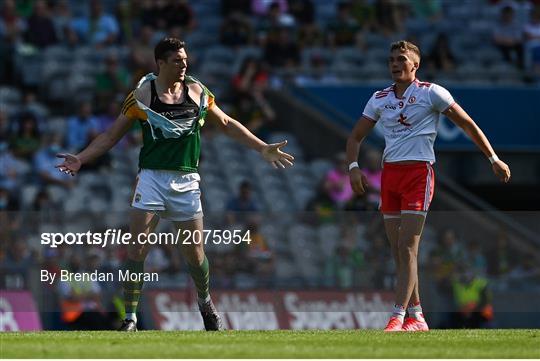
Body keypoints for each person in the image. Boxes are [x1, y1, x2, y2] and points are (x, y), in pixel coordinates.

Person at [56, 37, 294, 332]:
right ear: (161, 63)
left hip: (187, 179)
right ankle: (130, 318)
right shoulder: (142, 94)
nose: (184, 65)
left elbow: (227, 123)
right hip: (152, 177)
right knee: (136, 248)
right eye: (177, 60)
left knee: (195, 255)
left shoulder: (198, 92)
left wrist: (261, 148)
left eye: (185, 59)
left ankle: (205, 302)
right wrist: (81, 158)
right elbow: (110, 136)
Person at [346, 40, 511, 332]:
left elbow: (467, 124)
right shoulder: (379, 98)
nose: (395, 64)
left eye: (401, 59)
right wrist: (354, 167)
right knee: (399, 251)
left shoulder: (431, 93)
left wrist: (493, 158)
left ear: (415, 64)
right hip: (390, 176)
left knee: (408, 247)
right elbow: (355, 137)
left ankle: (397, 316)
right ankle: (417, 316)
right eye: (391, 60)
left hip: (418, 174)